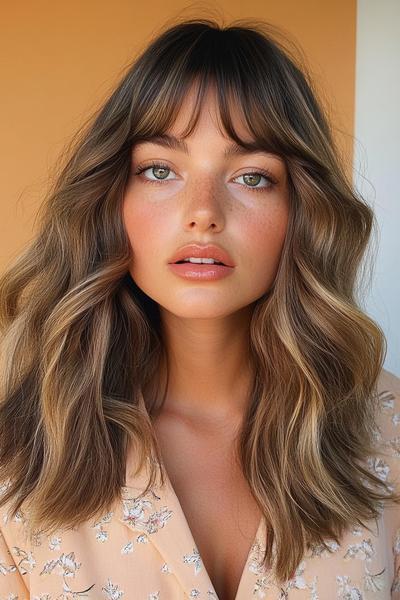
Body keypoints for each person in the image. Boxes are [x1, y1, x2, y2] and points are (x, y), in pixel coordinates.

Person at [0, 16, 400, 600]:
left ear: (302, 210)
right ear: (112, 198)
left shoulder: (387, 433)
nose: (203, 212)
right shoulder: (23, 449)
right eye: (160, 170)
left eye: (252, 176)